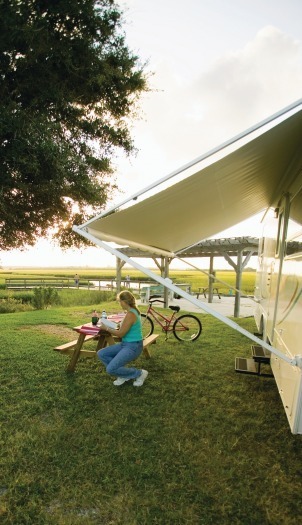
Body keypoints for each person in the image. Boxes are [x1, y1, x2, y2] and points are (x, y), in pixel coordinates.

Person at [97, 290, 148, 387]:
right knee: (101, 353)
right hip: (126, 344)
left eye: (120, 301)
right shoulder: (131, 311)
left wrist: (106, 328)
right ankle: (123, 375)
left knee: (110, 369)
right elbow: (120, 327)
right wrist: (108, 323)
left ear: (124, 301)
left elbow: (120, 334)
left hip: (133, 346)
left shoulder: (131, 314)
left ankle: (140, 373)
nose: (119, 303)